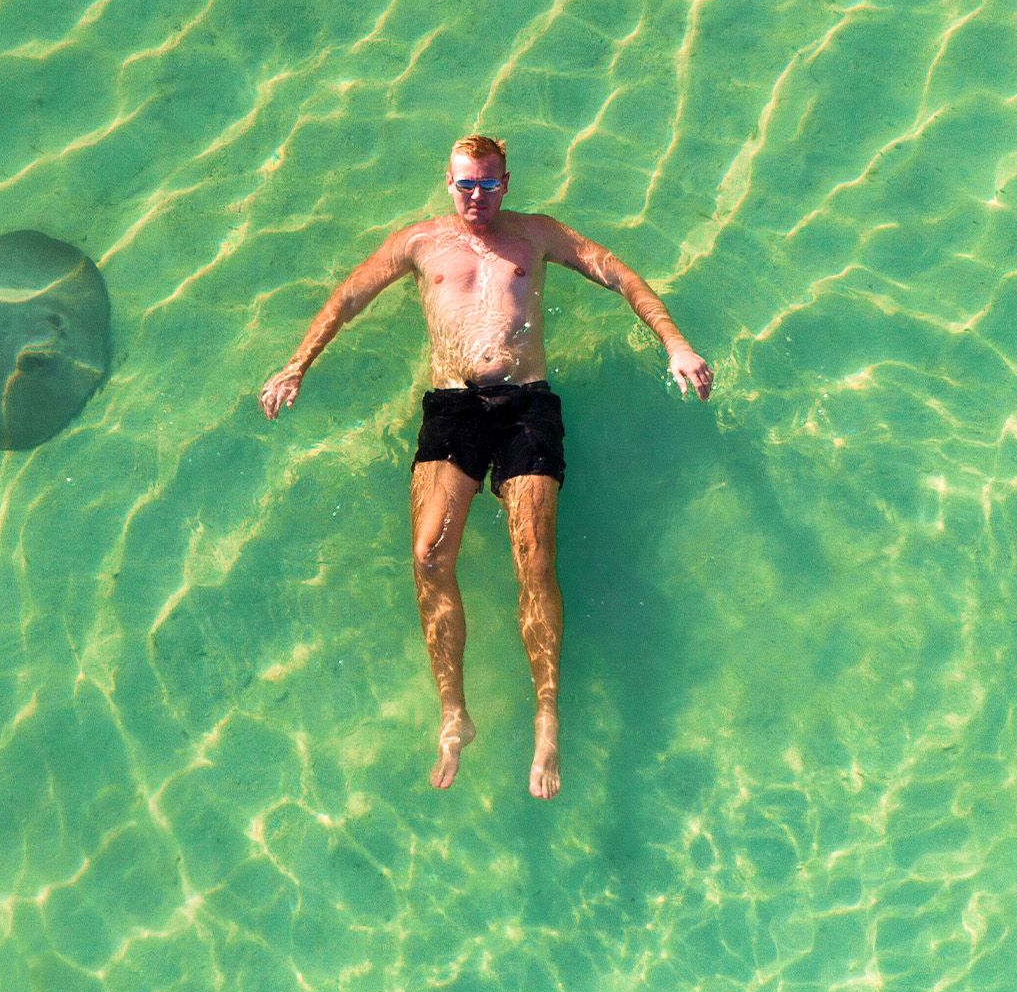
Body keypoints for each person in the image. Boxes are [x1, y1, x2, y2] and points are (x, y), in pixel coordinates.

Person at [259, 135, 712, 799]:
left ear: (507, 182)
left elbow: (619, 275)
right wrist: (297, 364)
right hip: (452, 406)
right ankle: (454, 713)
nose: (477, 197)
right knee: (428, 556)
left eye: (489, 185)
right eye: (465, 185)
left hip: (528, 405)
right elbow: (348, 298)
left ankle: (547, 715)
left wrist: (675, 343)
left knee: (532, 555)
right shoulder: (418, 244)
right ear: (447, 182)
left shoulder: (538, 235)